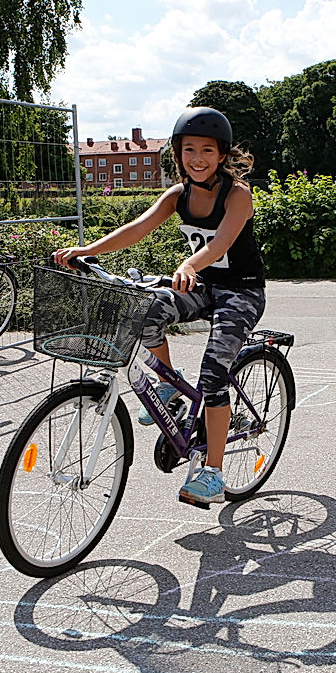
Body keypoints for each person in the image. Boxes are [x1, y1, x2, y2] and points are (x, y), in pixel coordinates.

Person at [53, 107, 265, 506]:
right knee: (147, 311)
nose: (197, 159)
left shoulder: (237, 195)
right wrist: (88, 249)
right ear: (177, 153)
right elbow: (136, 228)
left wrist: (189, 263)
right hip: (203, 286)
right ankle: (169, 382)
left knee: (214, 375)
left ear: (222, 155)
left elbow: (220, 243)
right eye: (189, 150)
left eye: (207, 150)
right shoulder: (178, 195)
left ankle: (214, 473)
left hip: (242, 291)